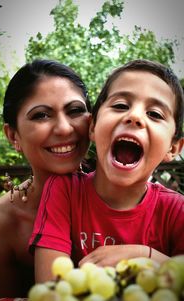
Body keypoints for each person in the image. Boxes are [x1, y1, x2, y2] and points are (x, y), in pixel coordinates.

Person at [29, 59, 184, 283]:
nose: (135, 116)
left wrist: (145, 256)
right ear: (92, 126)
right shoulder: (64, 191)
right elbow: (49, 289)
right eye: (120, 105)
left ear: (173, 147)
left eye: (155, 114)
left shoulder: (176, 211)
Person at [0, 59, 92, 297]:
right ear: (13, 135)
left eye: (75, 110)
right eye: (41, 115)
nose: (64, 128)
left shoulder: (131, 198)